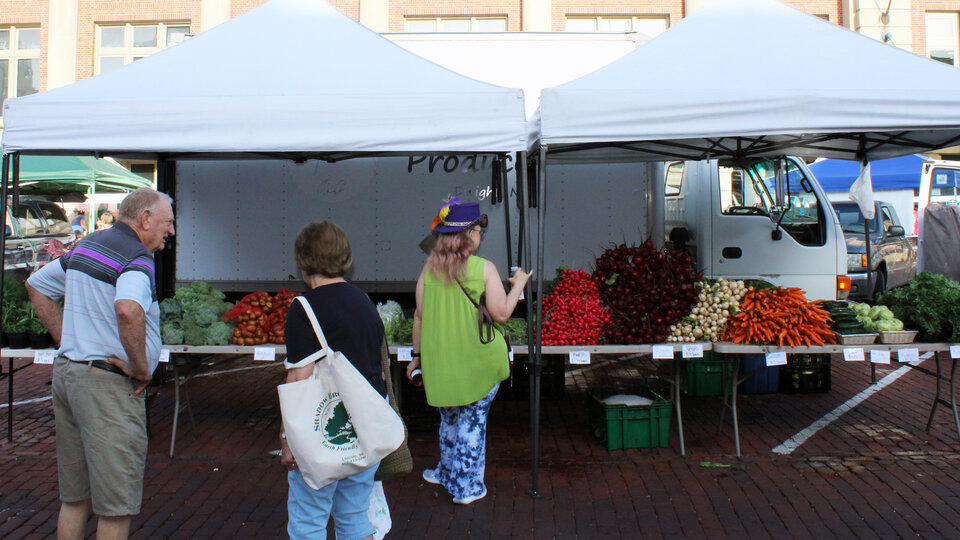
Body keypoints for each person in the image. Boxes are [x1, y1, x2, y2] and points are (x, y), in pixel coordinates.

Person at [25, 187, 175, 540]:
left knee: (75, 499)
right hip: (106, 388)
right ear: (146, 219)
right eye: (168, 222)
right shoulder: (136, 258)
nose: (171, 230)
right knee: (115, 506)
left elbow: (36, 285)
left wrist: (70, 341)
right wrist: (141, 368)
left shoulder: (88, 245)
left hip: (69, 376)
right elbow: (127, 310)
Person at [406, 198, 532, 505]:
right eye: (478, 229)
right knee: (472, 423)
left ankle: (447, 472)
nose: (480, 235)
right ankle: (466, 487)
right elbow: (501, 314)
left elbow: (419, 318)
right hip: (477, 364)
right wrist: (519, 284)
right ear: (470, 234)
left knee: (449, 419)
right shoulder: (483, 269)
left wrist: (417, 357)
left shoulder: (428, 271)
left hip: (440, 365)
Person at [280, 220, 387, 540]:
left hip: (324, 426)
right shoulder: (364, 301)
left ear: (303, 260)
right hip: (366, 424)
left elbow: (299, 376)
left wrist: (287, 438)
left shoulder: (304, 308)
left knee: (309, 520)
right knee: (355, 517)